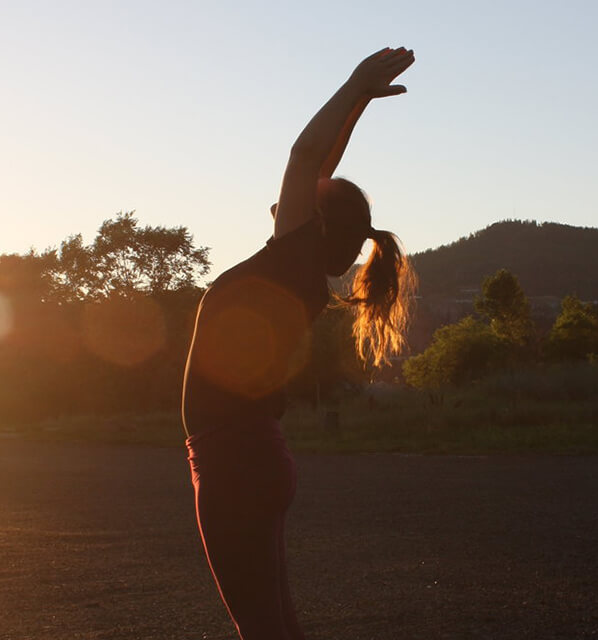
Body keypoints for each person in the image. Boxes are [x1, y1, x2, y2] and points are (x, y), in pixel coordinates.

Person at [181, 47, 417, 640]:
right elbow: (320, 165)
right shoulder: (299, 267)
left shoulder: (290, 259)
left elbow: (306, 154)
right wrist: (358, 102)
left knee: (262, 629)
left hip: (235, 460)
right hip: (249, 456)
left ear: (313, 220)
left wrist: (354, 83)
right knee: (274, 626)